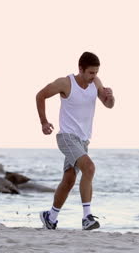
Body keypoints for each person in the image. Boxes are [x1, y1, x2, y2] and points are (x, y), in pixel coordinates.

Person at [36, 51, 115, 230]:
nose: (94, 76)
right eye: (91, 73)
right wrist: (44, 122)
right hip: (66, 137)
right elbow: (40, 95)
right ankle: (87, 217)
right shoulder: (66, 83)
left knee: (69, 179)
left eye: (96, 72)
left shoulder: (96, 83)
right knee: (90, 167)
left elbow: (108, 104)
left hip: (83, 141)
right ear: (80, 69)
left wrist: (110, 97)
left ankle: (51, 216)